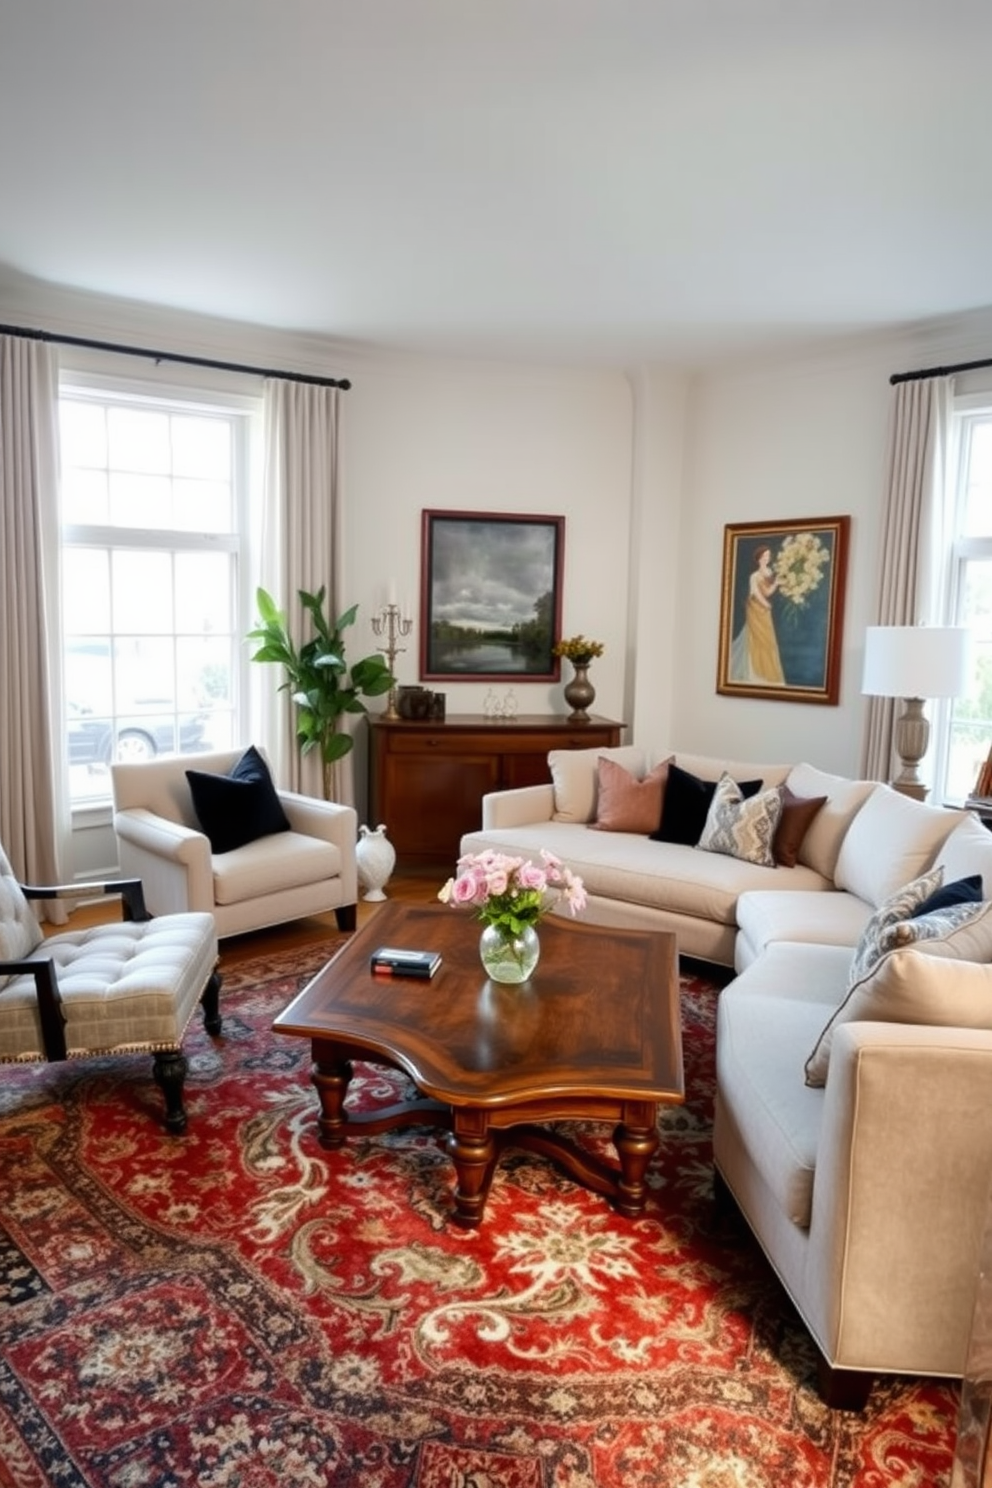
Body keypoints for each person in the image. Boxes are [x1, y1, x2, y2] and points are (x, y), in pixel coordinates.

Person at [730, 545, 785, 684]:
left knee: (768, 640)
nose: (767, 558)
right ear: (759, 558)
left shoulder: (769, 572)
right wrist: (765, 604)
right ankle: (754, 675)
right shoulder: (754, 576)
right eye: (764, 556)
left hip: (765, 610)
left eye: (768, 556)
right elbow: (756, 593)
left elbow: (768, 592)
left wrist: (777, 584)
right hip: (755, 608)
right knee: (756, 638)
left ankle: (766, 674)